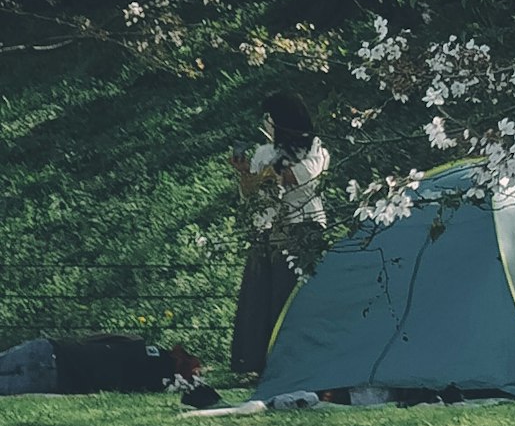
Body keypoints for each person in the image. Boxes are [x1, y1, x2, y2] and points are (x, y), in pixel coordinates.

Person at [225, 92, 332, 385]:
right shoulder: (263, 152)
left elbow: (298, 178)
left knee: (287, 298)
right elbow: (252, 194)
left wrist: (271, 171)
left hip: (301, 228)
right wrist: (244, 172)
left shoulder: (315, 150)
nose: (267, 125)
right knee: (258, 298)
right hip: (268, 229)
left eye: (271, 118)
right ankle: (255, 365)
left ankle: (292, 363)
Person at [0, 330, 204, 397]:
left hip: (53, 350)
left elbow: (99, 338)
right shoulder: (150, 380)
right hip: (60, 377)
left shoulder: (137, 345)